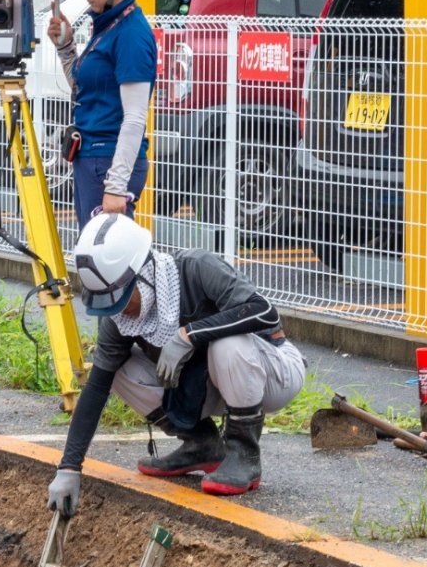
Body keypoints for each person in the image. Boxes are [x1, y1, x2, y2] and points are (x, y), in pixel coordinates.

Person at [44, 214, 306, 506]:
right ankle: (202, 445)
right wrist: (69, 467)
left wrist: (189, 335)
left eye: (122, 298)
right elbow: (96, 389)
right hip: (208, 386)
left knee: (226, 343)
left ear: (142, 274)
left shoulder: (196, 269)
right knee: (117, 369)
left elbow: (264, 312)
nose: (119, 311)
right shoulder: (119, 319)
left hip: (273, 372)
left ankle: (243, 454)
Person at [44, 0, 154, 227]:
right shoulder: (107, 26)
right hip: (92, 157)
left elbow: (134, 117)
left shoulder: (131, 35)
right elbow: (82, 87)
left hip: (106, 162)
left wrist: (116, 186)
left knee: (105, 265)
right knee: (93, 259)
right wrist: (66, 45)